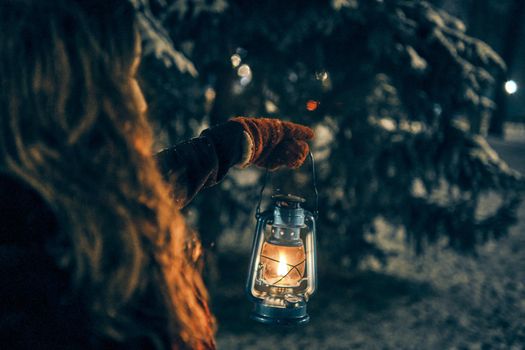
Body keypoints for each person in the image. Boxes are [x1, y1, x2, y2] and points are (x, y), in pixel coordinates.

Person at [0, 0, 314, 349]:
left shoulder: (66, 203)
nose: (139, 101)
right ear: (62, 91)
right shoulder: (43, 273)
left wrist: (235, 144)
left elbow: (146, 185)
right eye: (126, 76)